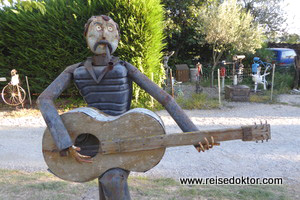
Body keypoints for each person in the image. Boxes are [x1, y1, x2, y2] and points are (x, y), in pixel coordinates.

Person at [38, 15, 204, 200]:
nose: (103, 35)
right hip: (91, 140)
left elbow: (164, 98)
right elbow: (45, 99)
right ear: (86, 37)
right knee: (105, 179)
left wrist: (194, 134)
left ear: (117, 38)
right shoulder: (75, 70)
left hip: (122, 137)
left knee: (112, 179)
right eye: (97, 29)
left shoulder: (124, 67)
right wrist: (64, 141)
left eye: (109, 30)